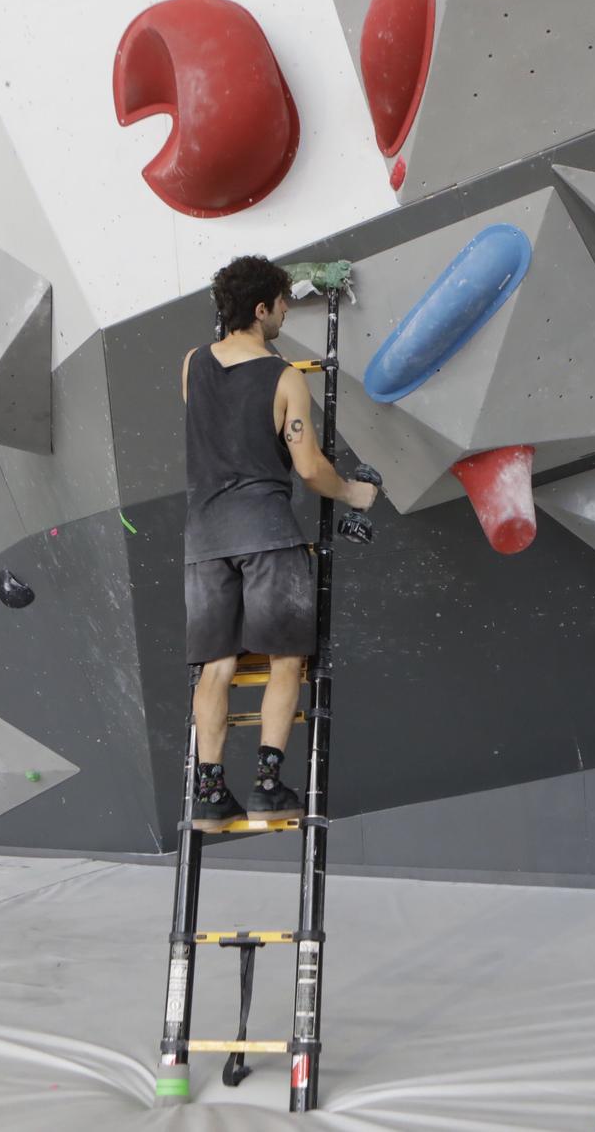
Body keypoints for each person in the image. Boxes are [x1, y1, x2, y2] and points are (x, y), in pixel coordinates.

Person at [180, 256, 379, 831]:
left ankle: (210, 794)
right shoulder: (285, 376)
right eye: (281, 302)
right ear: (261, 309)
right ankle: (268, 786)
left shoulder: (190, 365)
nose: (288, 310)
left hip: (203, 541)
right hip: (267, 534)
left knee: (214, 669)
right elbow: (311, 469)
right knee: (286, 659)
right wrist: (356, 496)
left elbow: (211, 431)